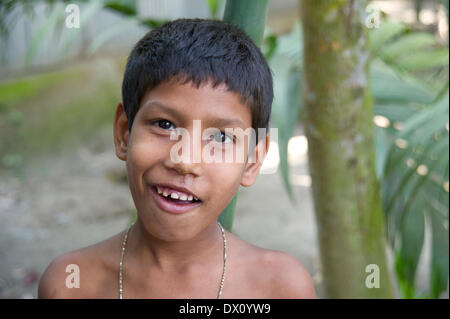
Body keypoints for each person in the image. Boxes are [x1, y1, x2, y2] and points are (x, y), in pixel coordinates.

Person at [38, 18, 316, 299]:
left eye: (220, 137)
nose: (185, 161)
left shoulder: (279, 287)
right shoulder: (70, 283)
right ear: (124, 132)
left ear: (253, 160)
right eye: (165, 125)